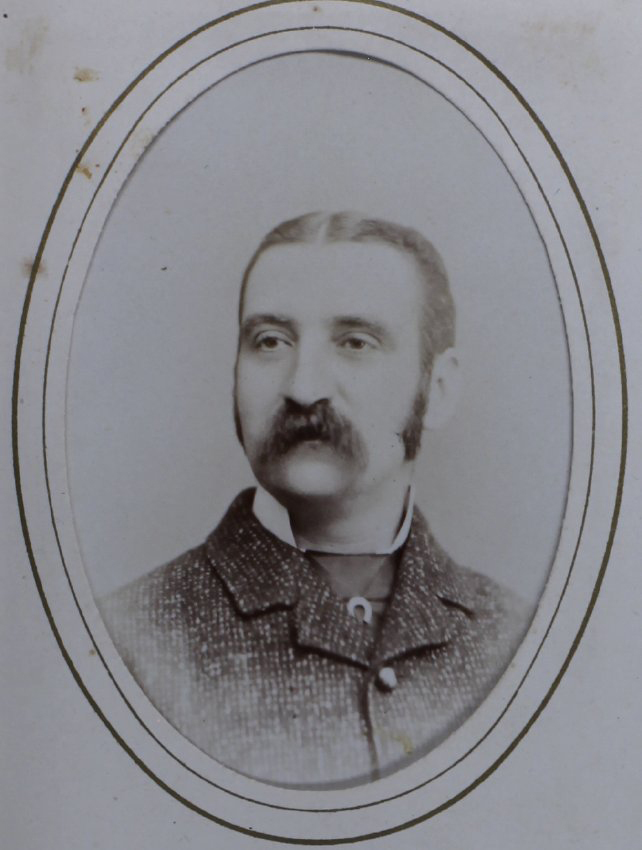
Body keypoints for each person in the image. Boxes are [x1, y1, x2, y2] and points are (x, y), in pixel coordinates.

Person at [100, 211, 529, 787]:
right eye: (270, 341)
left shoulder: (518, 641)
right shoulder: (126, 641)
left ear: (440, 389)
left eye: (355, 342)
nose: (303, 387)